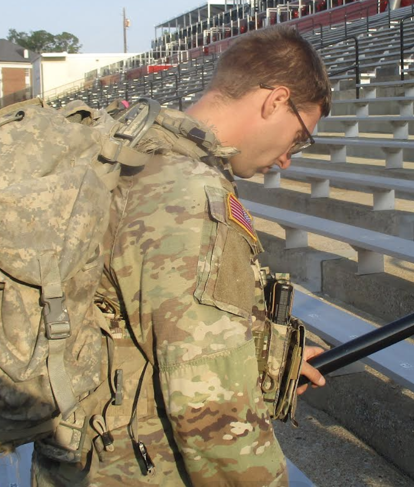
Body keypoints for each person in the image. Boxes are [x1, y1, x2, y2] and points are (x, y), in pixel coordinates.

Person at [32, 25, 331, 486]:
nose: (288, 158)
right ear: (275, 101)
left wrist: (268, 358)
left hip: (79, 457)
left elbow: (128, 315)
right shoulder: (188, 194)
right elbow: (210, 409)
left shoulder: (127, 150)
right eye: (298, 136)